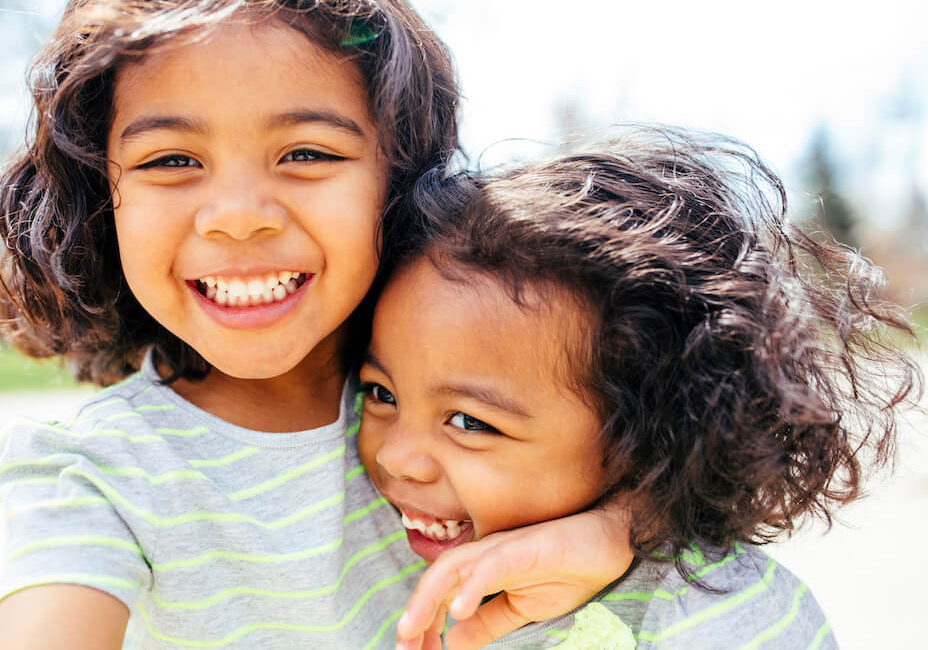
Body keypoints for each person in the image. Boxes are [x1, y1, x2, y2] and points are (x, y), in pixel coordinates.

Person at [0, 0, 632, 648]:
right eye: (172, 160)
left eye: (307, 153)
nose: (237, 215)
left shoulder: (498, 357)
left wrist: (623, 525)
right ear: (100, 194)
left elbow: (693, 438)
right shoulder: (100, 476)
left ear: (398, 175)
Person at [357, 127, 923, 648]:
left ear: (645, 442)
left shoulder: (716, 612)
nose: (395, 455)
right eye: (381, 394)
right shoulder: (376, 538)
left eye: (470, 422)